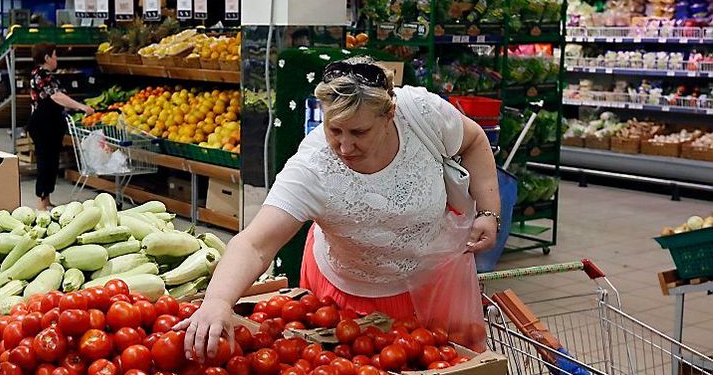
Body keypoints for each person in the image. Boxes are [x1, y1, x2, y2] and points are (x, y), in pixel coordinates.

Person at [178, 56, 500, 359]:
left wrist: (488, 212)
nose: (345, 147)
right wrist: (217, 301)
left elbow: (473, 142)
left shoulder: (420, 113)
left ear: (389, 115)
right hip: (350, 293)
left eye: (359, 132)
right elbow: (255, 244)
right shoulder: (313, 166)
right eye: (335, 130)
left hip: (437, 282)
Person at [27, 43, 94, 211]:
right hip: (43, 124)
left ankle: (47, 198)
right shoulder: (43, 75)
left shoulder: (42, 74)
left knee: (51, 161)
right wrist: (81, 107)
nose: (57, 59)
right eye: (55, 55)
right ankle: (41, 203)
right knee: (46, 162)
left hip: (49, 123)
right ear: (47, 58)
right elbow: (57, 96)